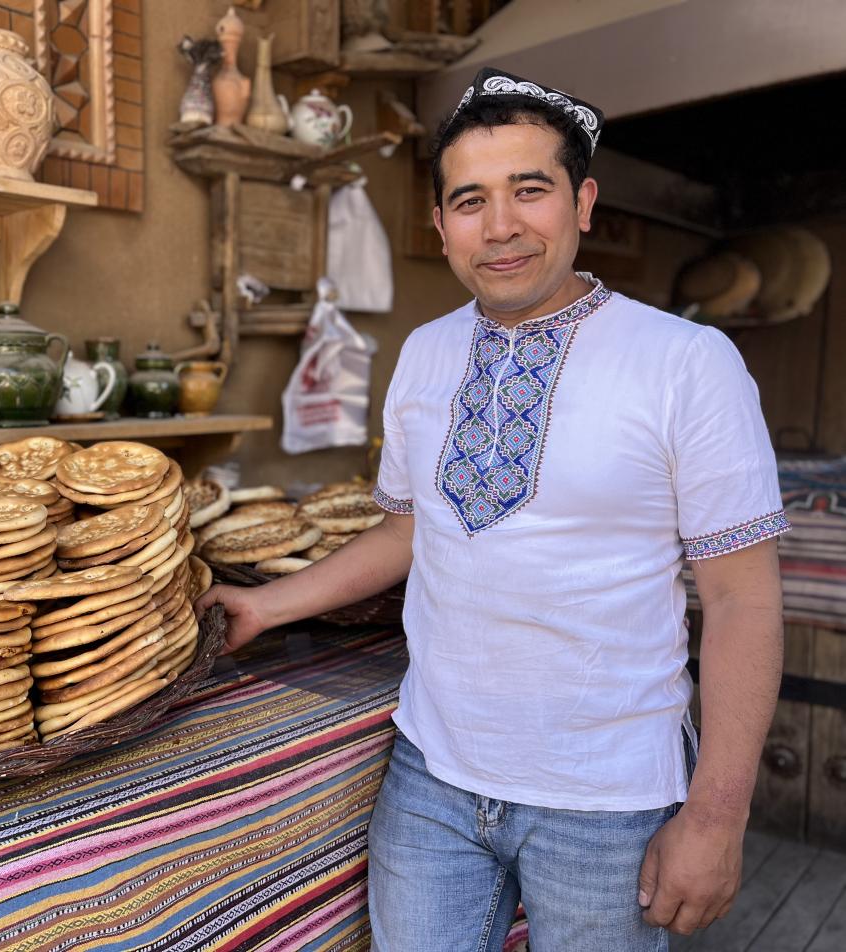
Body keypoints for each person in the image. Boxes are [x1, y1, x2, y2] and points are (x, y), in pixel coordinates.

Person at [197, 67, 787, 951]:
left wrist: (716, 816)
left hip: (606, 799)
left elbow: (743, 599)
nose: (500, 226)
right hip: (430, 779)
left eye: (529, 190)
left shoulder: (685, 362)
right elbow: (408, 531)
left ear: (582, 203)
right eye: (470, 200)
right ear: (440, 227)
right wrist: (265, 603)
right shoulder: (425, 356)